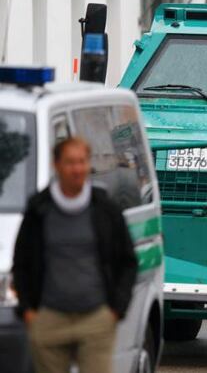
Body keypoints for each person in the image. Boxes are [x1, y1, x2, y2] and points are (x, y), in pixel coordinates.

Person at [12, 137, 138, 373]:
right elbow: (22, 262)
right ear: (57, 165)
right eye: (70, 162)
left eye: (81, 162)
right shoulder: (39, 209)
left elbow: (127, 261)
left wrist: (116, 309)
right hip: (49, 317)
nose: (77, 169)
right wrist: (28, 310)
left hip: (96, 319)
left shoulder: (105, 209)